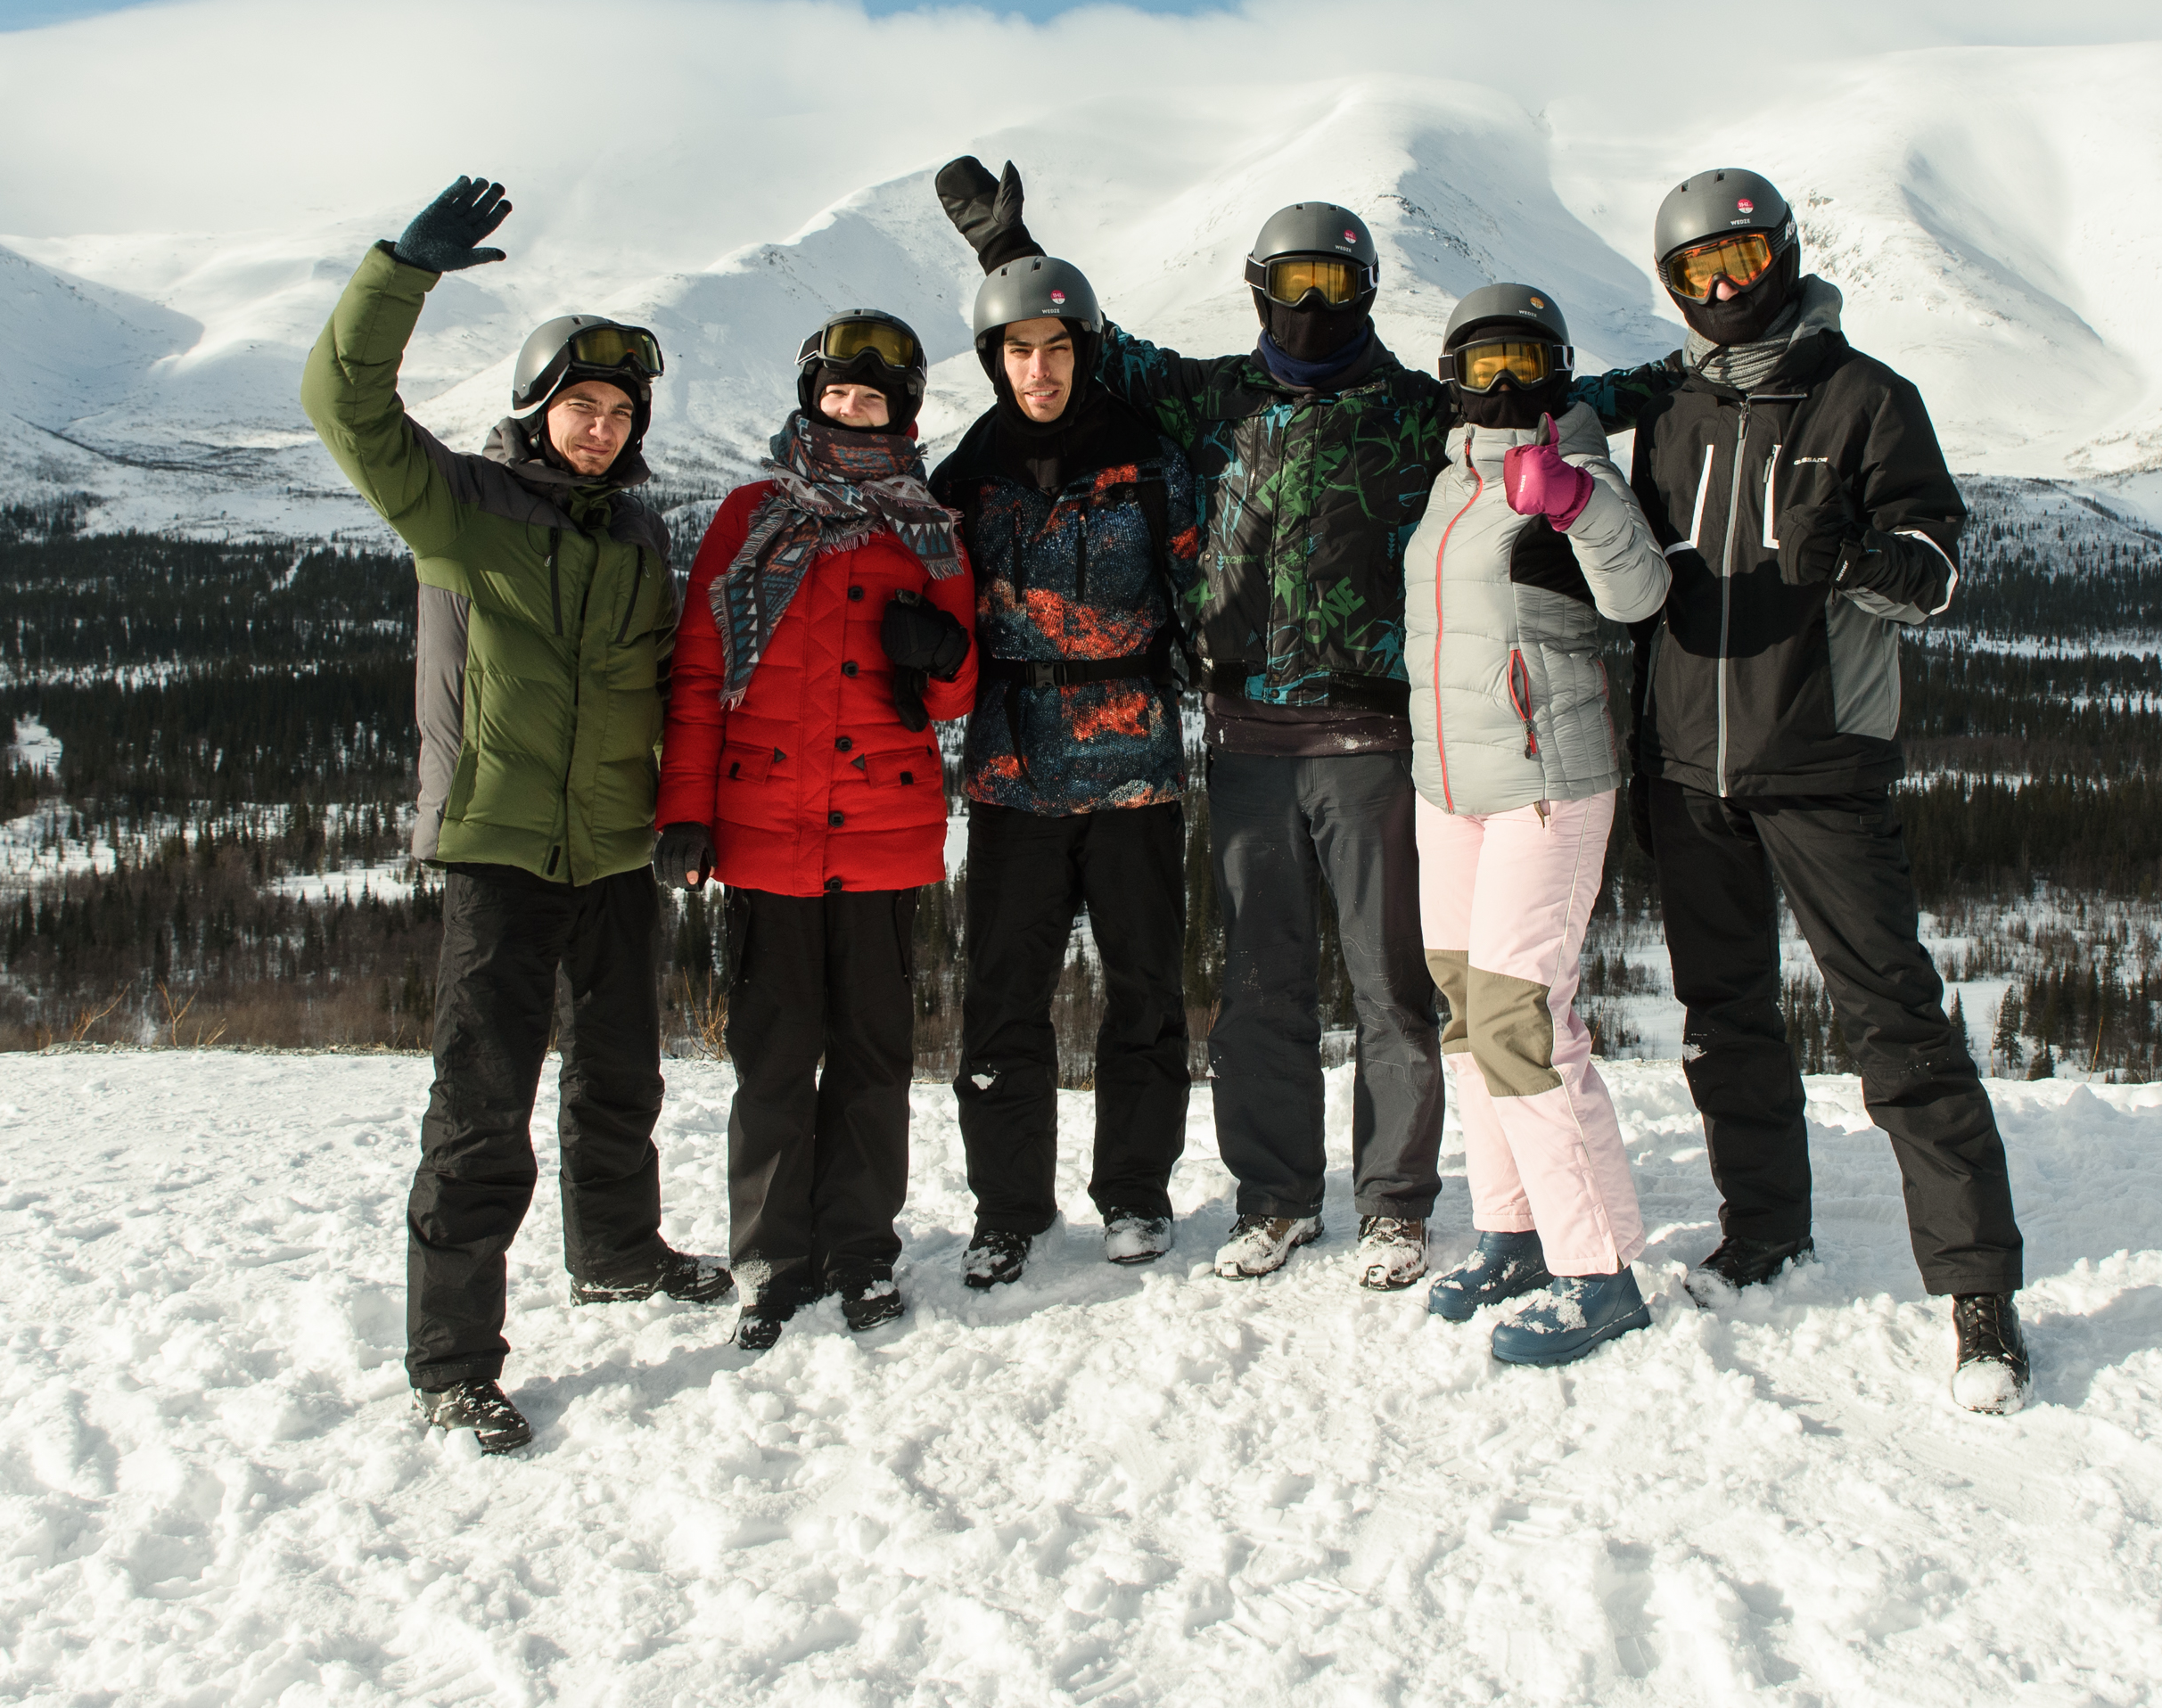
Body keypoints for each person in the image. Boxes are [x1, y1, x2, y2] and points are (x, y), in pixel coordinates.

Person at [930, 159, 1670, 1288]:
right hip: (1245, 739)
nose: (1314, 306)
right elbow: (1086, 349)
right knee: (1261, 985)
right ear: (1258, 287)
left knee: (1390, 985)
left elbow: (1551, 397)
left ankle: (1393, 1202)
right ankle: (1275, 1196)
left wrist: (1690, 375)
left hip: (1376, 742)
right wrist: (1006, 254)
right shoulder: (1214, 395)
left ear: (1368, 289)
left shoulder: (1421, 408)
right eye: (1293, 281)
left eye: (1336, 282)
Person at [300, 175, 729, 1462]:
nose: (600, 427)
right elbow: (345, 406)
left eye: (619, 410)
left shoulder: (642, 536)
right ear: (536, 410)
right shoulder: (462, 509)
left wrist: (683, 813)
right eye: (580, 405)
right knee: (482, 1103)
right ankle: (452, 1360)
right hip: (495, 845)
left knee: (621, 1077)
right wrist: (400, 272)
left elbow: (669, 683)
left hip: (610, 848)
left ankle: (614, 1251)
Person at [1625, 167, 2032, 1411]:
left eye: (1743, 258)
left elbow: (1938, 561)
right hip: (1688, 764)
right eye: (1700, 270)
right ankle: (1764, 1233)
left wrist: (1861, 557)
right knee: (1725, 1016)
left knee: (1896, 1021)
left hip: (1823, 762)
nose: (1726, 284)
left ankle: (1980, 1296)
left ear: (1786, 254)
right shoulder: (1674, 412)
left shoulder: (1868, 398)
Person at [656, 308, 981, 1350]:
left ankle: (860, 1248)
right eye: (838, 395)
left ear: (904, 413)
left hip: (881, 833)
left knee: (874, 1064)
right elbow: (703, 673)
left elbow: (959, 695)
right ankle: (770, 1254)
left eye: (871, 401)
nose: (852, 415)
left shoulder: (929, 528)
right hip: (762, 836)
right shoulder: (749, 513)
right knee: (772, 1061)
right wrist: (684, 813)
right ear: (810, 397)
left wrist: (938, 649)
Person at [1402, 284, 1672, 1367]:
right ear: (1453, 377)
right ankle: (1511, 1229)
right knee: (1467, 1013)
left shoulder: (1581, 465)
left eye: (1524, 361)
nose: (1504, 382)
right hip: (1449, 785)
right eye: (1483, 362)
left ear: (1558, 368)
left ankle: (1598, 1270)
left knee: (1522, 1017)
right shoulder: (1449, 478)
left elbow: (1638, 595)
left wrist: (1575, 504)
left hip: (1547, 777)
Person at [927, 256, 1204, 1285]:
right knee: (1002, 994)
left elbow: (1203, 587)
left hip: (1135, 764)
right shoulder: (967, 473)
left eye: (1054, 350)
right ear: (994, 361)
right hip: (1012, 768)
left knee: (1145, 989)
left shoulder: (1147, 460)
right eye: (1017, 350)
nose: (1037, 369)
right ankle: (1009, 1206)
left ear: (1083, 354)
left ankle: (1134, 1193)